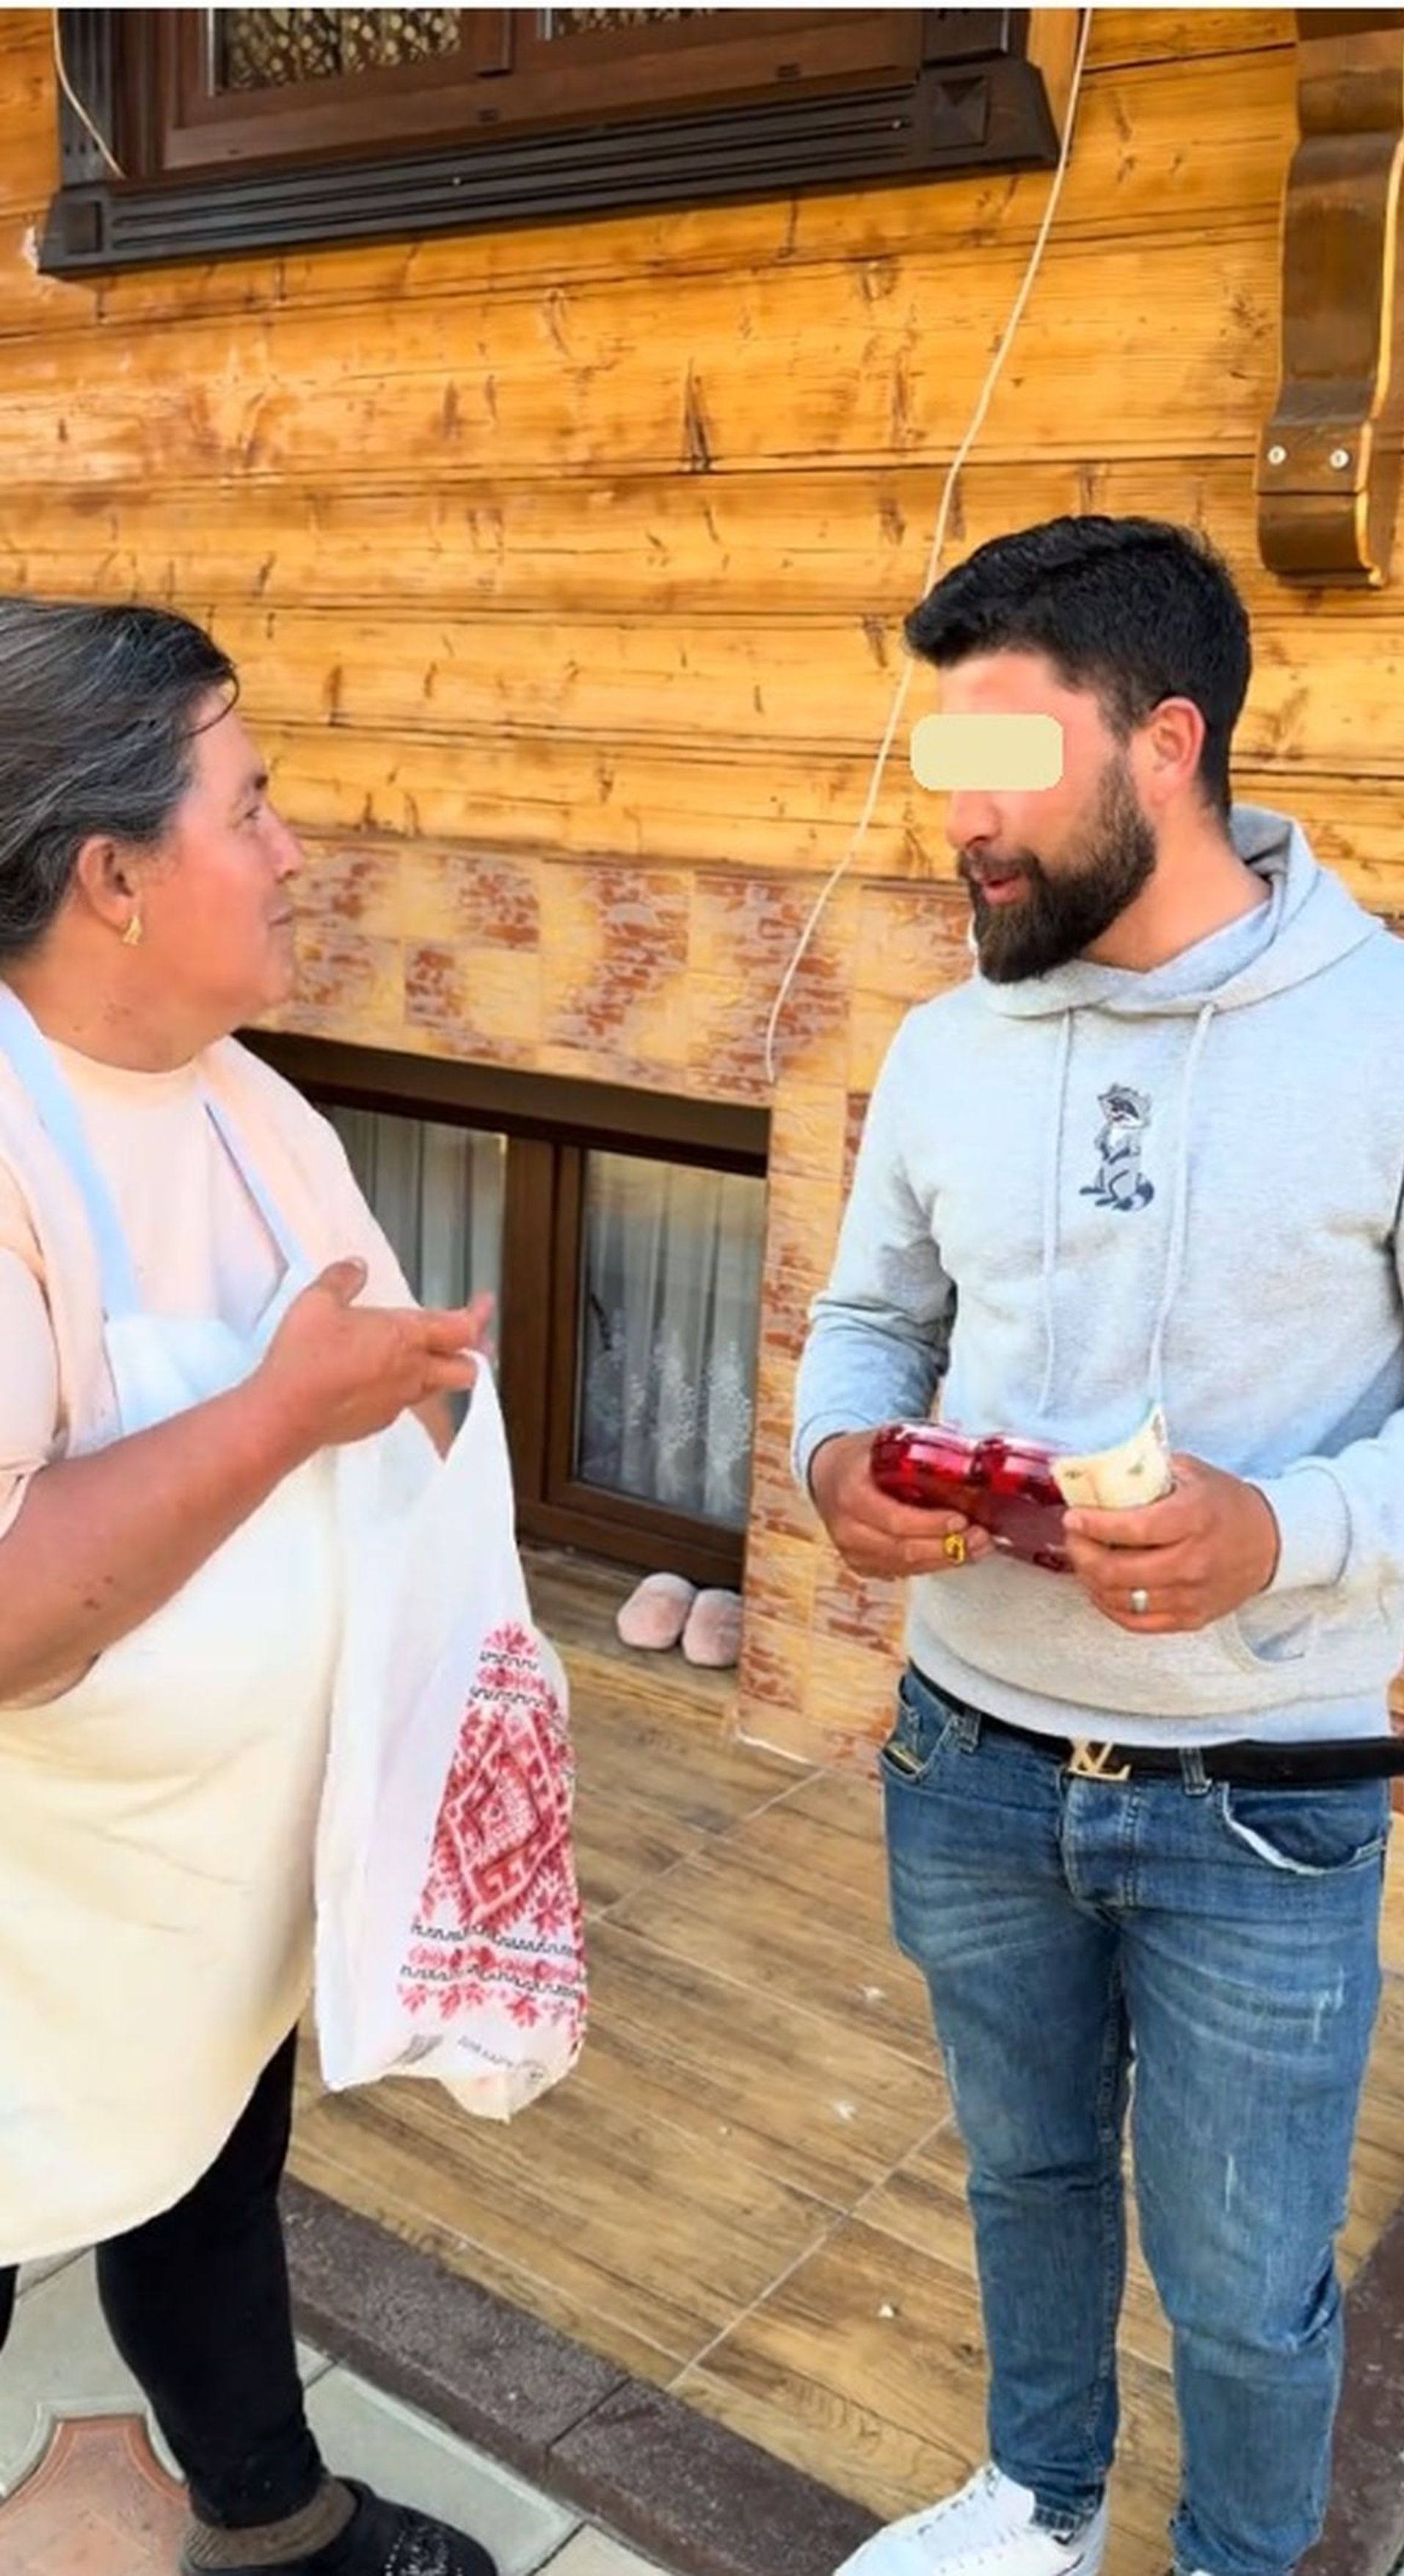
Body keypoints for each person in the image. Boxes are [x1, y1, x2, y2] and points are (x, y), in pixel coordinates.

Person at [793, 517, 1404, 2576]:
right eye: (944, 767)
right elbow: (868, 1320)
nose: (961, 823)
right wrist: (836, 1464)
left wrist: (1285, 1530)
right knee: (1027, 2181)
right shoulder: (943, 1044)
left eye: (1003, 764)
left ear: (1166, 745)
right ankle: (1040, 2501)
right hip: (966, 1759)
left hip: (1264, 1801)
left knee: (1246, 2286)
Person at [0, 598, 504, 2576]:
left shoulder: (245, 1104)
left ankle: (271, 2525)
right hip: (30, 1931)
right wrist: (291, 1412)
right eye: (254, 806)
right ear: (113, 878)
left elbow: (377, 1401)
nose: (296, 850)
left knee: (209, 2179)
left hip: (202, 1891)